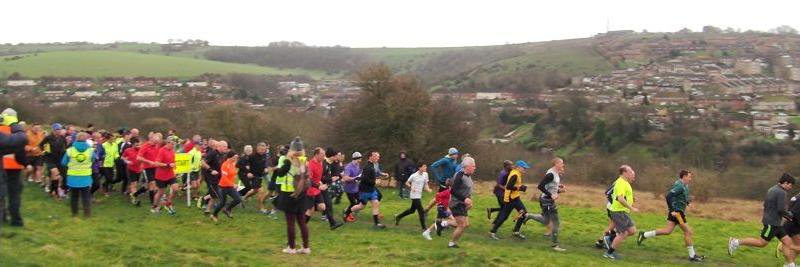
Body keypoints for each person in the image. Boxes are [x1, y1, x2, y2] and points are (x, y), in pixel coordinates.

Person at [729, 173, 800, 267]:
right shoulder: (782, 192)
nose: (790, 187)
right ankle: (736, 242)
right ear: (786, 182)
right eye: (790, 185)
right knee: (762, 243)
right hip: (772, 224)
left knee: (787, 242)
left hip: (776, 223)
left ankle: (790, 265)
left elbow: (766, 205)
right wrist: (789, 215)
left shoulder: (772, 189)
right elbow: (781, 209)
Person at [637, 170, 705, 262]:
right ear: (684, 177)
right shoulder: (679, 186)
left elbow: (681, 197)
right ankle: (692, 256)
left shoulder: (685, 186)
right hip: (677, 213)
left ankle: (644, 235)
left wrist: (687, 203)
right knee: (688, 231)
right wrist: (672, 210)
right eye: (689, 177)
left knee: (667, 231)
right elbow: (668, 196)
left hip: (677, 212)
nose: (690, 179)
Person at [274, 137, 311, 254]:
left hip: (289, 193)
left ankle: (291, 247)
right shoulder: (305, 160)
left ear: (291, 149)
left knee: (290, 222)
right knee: (302, 221)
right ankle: (306, 247)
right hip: (302, 193)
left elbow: (279, 175)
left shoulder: (288, 160)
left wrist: (279, 168)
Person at [525, 158, 567, 251]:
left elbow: (550, 186)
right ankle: (555, 245)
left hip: (545, 200)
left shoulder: (555, 173)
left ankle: (528, 215)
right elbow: (540, 186)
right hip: (547, 201)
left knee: (545, 220)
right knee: (556, 223)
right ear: (556, 164)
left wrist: (559, 189)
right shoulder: (551, 174)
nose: (563, 165)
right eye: (561, 163)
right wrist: (551, 195)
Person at [603, 165, 640, 260]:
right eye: (631, 172)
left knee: (632, 231)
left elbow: (622, 196)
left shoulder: (626, 183)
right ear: (624, 173)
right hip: (618, 211)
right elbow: (620, 198)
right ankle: (609, 253)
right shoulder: (620, 183)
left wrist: (631, 199)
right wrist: (631, 208)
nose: (633, 174)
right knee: (623, 233)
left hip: (622, 212)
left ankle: (610, 238)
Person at [489, 160, 531, 240]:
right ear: (518, 167)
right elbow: (508, 186)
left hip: (515, 198)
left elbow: (514, 185)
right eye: (524, 168)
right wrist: (520, 188)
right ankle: (492, 232)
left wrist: (520, 187)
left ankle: (516, 231)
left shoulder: (517, 173)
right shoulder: (514, 174)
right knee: (504, 216)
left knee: (524, 213)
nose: (525, 170)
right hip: (510, 199)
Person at [344, 151, 388, 229]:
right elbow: (365, 180)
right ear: (370, 157)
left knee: (376, 203)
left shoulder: (373, 165)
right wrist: (375, 182)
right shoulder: (367, 167)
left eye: (378, 156)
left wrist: (377, 179)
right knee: (361, 206)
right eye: (376, 156)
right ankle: (347, 212)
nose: (378, 158)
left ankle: (376, 224)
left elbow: (371, 177)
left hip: (371, 189)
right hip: (365, 190)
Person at [0, 109, 27, 227]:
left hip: (3, 166)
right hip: (14, 167)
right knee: (14, 194)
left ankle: (4, 216)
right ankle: (16, 220)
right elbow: (20, 149)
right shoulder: (15, 131)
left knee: (2, 194)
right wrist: (25, 163)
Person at [60, 132, 94, 217]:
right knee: (86, 196)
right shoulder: (90, 150)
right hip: (85, 177)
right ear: (86, 139)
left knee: (74, 197)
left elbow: (63, 163)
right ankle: (87, 214)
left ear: (76, 139)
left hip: (73, 177)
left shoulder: (70, 150)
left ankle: (74, 213)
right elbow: (93, 160)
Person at [395, 163, 431, 231]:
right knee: (421, 211)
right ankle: (424, 228)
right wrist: (411, 187)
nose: (425, 168)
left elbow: (426, 184)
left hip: (419, 195)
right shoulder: (414, 175)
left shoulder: (425, 174)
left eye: (426, 166)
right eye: (424, 167)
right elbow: (407, 183)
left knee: (412, 211)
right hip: (414, 195)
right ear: (419, 168)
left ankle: (398, 216)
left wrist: (428, 189)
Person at [448, 156, 475, 248]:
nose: (475, 168)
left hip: (462, 204)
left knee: (465, 224)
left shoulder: (469, 176)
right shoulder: (459, 175)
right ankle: (452, 243)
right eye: (473, 166)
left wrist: (469, 200)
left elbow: (467, 190)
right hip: (456, 203)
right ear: (467, 166)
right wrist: (465, 199)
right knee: (462, 224)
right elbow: (453, 191)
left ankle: (443, 223)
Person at [210, 151, 242, 221]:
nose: (235, 159)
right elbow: (224, 177)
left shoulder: (232, 164)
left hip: (230, 186)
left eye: (236, 158)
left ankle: (227, 209)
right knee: (222, 203)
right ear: (229, 157)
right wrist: (233, 184)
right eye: (234, 158)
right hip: (223, 187)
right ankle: (213, 215)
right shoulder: (225, 165)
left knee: (238, 199)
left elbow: (233, 173)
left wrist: (234, 179)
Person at [40, 123, 68, 199]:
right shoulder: (48, 138)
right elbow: (41, 145)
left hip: (60, 159)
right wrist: (45, 151)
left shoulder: (63, 138)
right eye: (56, 130)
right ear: (53, 130)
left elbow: (65, 147)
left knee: (57, 177)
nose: (58, 131)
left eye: (59, 129)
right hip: (50, 159)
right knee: (55, 174)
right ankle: (55, 193)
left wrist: (65, 152)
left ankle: (52, 190)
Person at [151, 136, 178, 215]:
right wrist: (168, 165)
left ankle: (168, 203)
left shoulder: (172, 151)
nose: (173, 146)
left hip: (170, 175)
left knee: (176, 189)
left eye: (174, 144)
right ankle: (154, 206)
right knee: (160, 193)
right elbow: (157, 163)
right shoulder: (162, 151)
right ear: (168, 143)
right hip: (161, 176)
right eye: (172, 144)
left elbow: (173, 162)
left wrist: (174, 166)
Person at [319, 148, 344, 229]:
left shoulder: (334, 163)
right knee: (311, 207)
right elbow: (320, 177)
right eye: (335, 156)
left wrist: (329, 180)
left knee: (328, 204)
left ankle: (332, 224)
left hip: (325, 187)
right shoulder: (322, 163)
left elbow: (336, 176)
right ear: (331, 156)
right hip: (317, 186)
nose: (337, 157)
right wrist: (330, 179)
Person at [137, 132, 162, 206]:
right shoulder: (145, 146)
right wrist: (149, 161)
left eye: (157, 142)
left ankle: (136, 194)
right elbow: (138, 157)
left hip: (156, 168)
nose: (156, 144)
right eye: (155, 142)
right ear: (151, 139)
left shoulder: (157, 146)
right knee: (152, 184)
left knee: (152, 186)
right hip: (147, 168)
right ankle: (153, 203)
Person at [341, 152, 362, 223]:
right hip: (349, 189)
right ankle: (346, 215)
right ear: (355, 159)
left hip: (356, 188)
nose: (360, 161)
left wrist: (359, 178)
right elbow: (345, 178)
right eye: (359, 159)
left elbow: (357, 176)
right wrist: (354, 178)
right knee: (353, 203)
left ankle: (347, 211)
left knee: (359, 201)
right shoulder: (348, 167)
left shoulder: (357, 165)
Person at [123, 137, 143, 206]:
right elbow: (123, 157)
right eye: (136, 145)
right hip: (130, 170)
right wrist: (127, 161)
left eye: (139, 144)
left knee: (135, 184)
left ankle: (128, 192)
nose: (138, 146)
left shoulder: (141, 150)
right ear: (132, 144)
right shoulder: (128, 150)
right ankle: (135, 200)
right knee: (134, 184)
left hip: (139, 170)